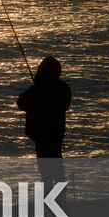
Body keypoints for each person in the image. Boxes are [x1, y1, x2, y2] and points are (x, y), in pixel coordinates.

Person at [17, 56, 71, 190]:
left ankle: (51, 202)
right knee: (57, 167)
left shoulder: (38, 90)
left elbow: (21, 102)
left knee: (46, 172)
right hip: (56, 133)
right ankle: (59, 200)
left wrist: (38, 88)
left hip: (42, 135)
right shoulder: (62, 88)